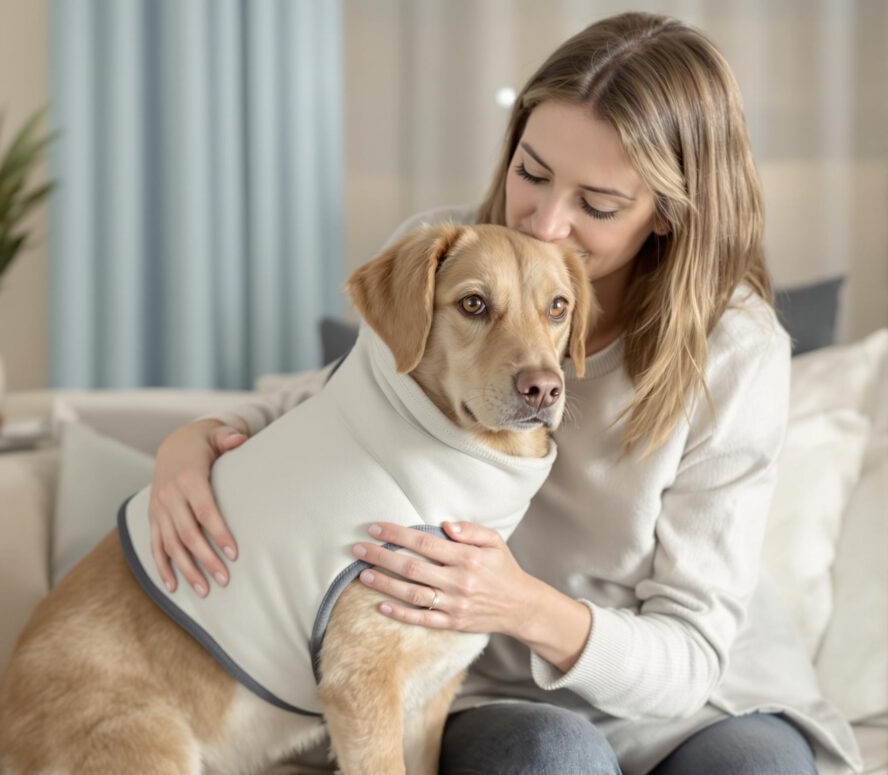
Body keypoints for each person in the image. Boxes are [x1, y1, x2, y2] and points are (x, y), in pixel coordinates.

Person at [146, 12, 860, 774]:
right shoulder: (449, 250)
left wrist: (519, 602)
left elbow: (690, 653)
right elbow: (343, 407)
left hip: (694, 694)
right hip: (496, 686)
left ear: (667, 214)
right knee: (551, 756)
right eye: (532, 171)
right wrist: (200, 437)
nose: (548, 223)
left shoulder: (736, 348)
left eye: (599, 204)